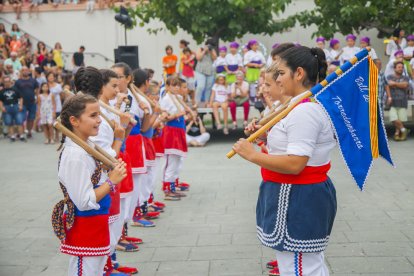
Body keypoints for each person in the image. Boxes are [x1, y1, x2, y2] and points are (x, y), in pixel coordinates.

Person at [233, 46, 337, 276]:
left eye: (280, 73)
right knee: (303, 265)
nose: (276, 79)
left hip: (298, 197)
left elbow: (295, 163)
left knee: (300, 269)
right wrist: (266, 137)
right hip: (292, 194)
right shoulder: (297, 106)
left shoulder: (304, 111)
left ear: (298, 73)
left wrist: (252, 154)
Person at [51, 93, 126, 276]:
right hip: (85, 224)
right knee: (86, 270)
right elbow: (84, 202)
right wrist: (111, 181)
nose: (100, 120)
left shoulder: (86, 145)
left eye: (99, 114)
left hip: (96, 221)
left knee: (96, 269)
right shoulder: (76, 155)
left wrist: (109, 171)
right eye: (93, 116)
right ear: (74, 121)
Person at [159, 76, 188, 200]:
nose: (176, 87)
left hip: (179, 130)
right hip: (171, 131)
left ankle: (173, 185)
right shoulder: (165, 99)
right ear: (168, 87)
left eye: (177, 85)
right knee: (171, 160)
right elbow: (164, 117)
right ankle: (167, 189)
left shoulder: (179, 98)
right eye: (173, 85)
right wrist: (177, 114)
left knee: (177, 159)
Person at [385, 61, 411, 141]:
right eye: (399, 67)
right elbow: (388, 85)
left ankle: (397, 134)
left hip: (402, 100)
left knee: (401, 119)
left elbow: (405, 85)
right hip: (392, 100)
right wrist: (400, 85)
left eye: (402, 67)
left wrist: (394, 84)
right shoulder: (389, 76)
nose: (401, 69)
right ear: (394, 68)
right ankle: (404, 130)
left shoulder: (406, 77)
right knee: (393, 118)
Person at [14, 66, 39, 138]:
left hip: (32, 102)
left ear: (29, 71)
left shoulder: (33, 80)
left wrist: (37, 97)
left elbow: (37, 88)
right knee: (21, 118)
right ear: (21, 72)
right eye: (23, 70)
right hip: (22, 103)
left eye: (26, 70)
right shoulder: (18, 81)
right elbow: (15, 92)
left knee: (31, 118)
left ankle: (29, 132)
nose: (25, 71)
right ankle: (20, 132)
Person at [0, 76, 25, 142]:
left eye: (8, 81)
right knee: (9, 122)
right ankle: (12, 136)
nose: (7, 83)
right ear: (4, 82)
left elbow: (21, 98)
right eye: (5, 82)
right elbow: (1, 101)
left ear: (10, 81)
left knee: (19, 122)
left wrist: (21, 106)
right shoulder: (2, 91)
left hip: (15, 106)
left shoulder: (15, 89)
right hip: (7, 107)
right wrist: (2, 107)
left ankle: (21, 136)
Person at [195, 39, 217, 105]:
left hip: (210, 71)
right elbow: (198, 58)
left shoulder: (212, 50)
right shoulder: (200, 49)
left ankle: (206, 102)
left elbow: (214, 58)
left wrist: (211, 51)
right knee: (200, 86)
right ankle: (197, 102)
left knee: (208, 87)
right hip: (200, 70)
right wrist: (204, 51)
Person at [47, 72, 63, 141]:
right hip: (48, 106)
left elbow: (62, 95)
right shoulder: (45, 85)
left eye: (52, 76)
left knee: (57, 121)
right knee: (49, 122)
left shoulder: (58, 86)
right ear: (47, 77)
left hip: (57, 105)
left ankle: (57, 134)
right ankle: (50, 136)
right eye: (49, 76)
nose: (51, 78)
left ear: (54, 78)